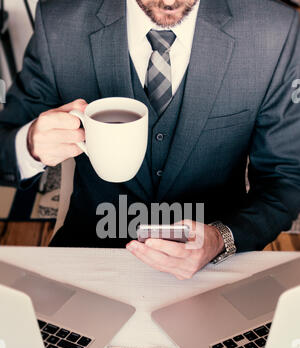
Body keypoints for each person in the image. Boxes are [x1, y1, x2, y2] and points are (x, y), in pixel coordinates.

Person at [0, 0, 300, 279]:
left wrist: (221, 239)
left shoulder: (275, 30)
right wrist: (29, 145)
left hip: (217, 268)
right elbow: (5, 144)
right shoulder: (60, 20)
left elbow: (286, 177)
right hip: (90, 255)